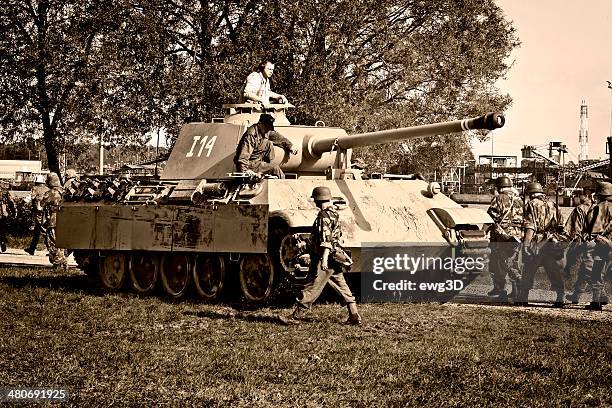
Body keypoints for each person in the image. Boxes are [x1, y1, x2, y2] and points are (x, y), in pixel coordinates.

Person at [292, 186, 361, 325]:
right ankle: (354, 315)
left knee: (312, 285)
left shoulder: (323, 216)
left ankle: (295, 317)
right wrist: (305, 244)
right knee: (341, 286)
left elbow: (326, 240)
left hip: (327, 257)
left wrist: (323, 259)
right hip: (335, 256)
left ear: (317, 199)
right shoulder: (333, 213)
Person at [515, 182, 565, 307]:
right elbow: (560, 224)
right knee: (553, 270)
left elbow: (530, 226)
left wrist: (526, 244)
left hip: (537, 242)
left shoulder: (532, 204)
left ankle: (523, 297)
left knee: (528, 269)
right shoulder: (552, 204)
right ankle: (560, 297)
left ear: (531, 194)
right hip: (550, 241)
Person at [487, 176, 523, 301]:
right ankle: (515, 291)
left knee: (501, 262)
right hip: (517, 236)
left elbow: (491, 216)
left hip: (502, 236)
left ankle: (502, 288)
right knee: (514, 262)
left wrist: (482, 231)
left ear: (499, 188)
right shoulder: (519, 200)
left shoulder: (498, 198)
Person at [234, 113, 297, 179]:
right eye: (266, 127)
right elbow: (244, 155)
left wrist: (290, 146)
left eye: (269, 128)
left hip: (258, 162)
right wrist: (245, 170)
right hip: (250, 164)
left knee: (269, 143)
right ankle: (284, 186)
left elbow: (279, 138)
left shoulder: (266, 131)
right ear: (260, 124)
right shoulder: (251, 135)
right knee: (275, 169)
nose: (268, 130)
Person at [581, 181, 612, 311]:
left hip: (603, 245)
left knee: (597, 273)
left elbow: (591, 228)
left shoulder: (598, 207)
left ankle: (597, 302)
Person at [563, 194, 592, 303]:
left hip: (582, 243)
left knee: (581, 268)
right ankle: (576, 295)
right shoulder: (599, 207)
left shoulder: (579, 209)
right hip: (598, 242)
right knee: (587, 269)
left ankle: (601, 295)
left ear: (586, 195)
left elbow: (573, 229)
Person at [40, 172, 67, 271]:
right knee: (63, 243)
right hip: (65, 220)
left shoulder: (50, 193)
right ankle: (63, 262)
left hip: (54, 220)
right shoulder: (66, 191)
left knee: (53, 242)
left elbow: (40, 206)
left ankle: (57, 263)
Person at [25, 174, 49, 255]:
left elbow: (29, 198)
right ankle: (32, 249)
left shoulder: (35, 189)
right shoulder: (47, 189)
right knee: (38, 231)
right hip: (46, 212)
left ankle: (51, 249)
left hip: (38, 213)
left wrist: (23, 202)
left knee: (42, 231)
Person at [0, 181, 16, 253]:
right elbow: (11, 202)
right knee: (2, 229)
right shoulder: (5, 193)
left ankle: (2, 242)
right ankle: (2, 241)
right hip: (3, 213)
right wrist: (13, 212)